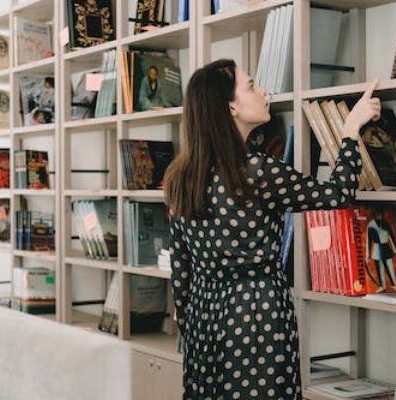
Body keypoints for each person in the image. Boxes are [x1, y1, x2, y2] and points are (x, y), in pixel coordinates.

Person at [163, 58, 381, 399]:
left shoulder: (181, 176)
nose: (264, 91)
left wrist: (193, 318)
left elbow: (181, 264)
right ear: (231, 107)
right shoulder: (258, 172)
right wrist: (351, 129)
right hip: (257, 312)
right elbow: (337, 194)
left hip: (204, 314)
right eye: (252, 86)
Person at [365, 208, 396, 293]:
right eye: (377, 214)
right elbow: (368, 240)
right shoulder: (370, 225)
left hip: (386, 247)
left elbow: (391, 237)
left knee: (390, 268)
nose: (379, 216)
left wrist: (395, 250)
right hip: (376, 249)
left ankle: (395, 285)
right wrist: (368, 254)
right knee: (379, 270)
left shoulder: (385, 223)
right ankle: (382, 286)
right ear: (374, 215)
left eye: (380, 214)